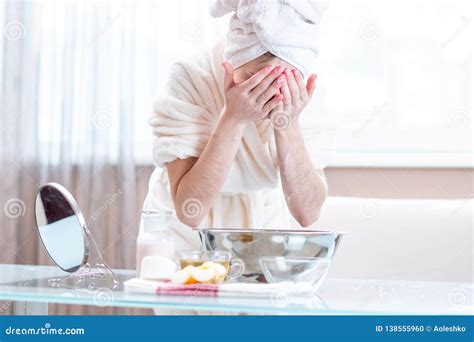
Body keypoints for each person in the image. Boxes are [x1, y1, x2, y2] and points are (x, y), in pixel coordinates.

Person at [142, 0, 329, 252]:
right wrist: (233, 118)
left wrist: (288, 125)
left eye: (280, 83)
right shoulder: (190, 78)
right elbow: (189, 211)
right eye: (254, 83)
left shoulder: (301, 95)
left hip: (261, 232)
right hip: (182, 239)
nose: (269, 95)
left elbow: (308, 214)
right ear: (230, 65)